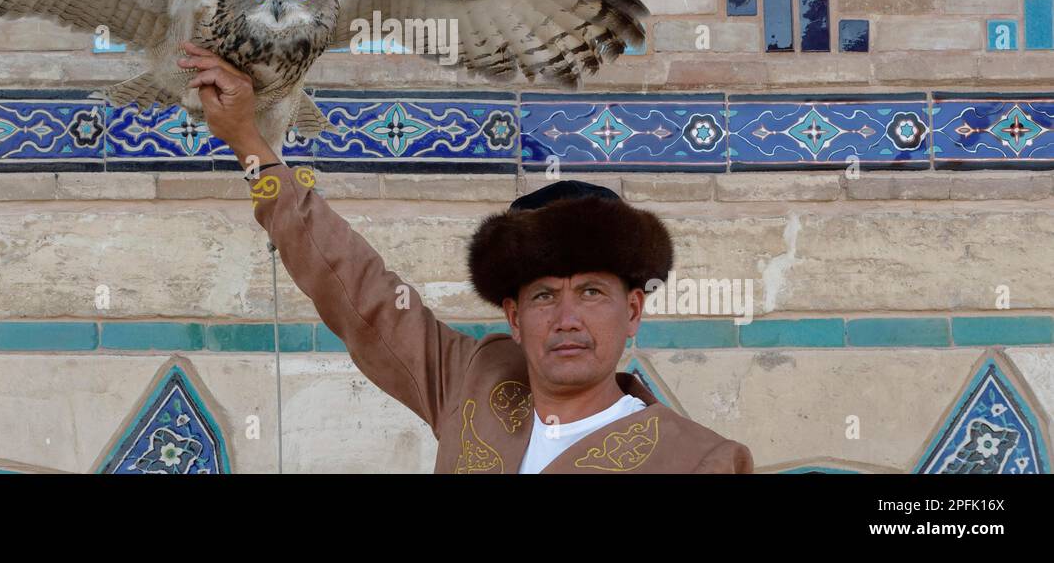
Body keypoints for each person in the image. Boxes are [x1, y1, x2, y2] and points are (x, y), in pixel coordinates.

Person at [179, 42, 753, 474]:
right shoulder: (472, 383)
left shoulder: (701, 460)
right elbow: (359, 289)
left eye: (592, 292)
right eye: (545, 295)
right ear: (513, 317)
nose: (567, 318)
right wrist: (249, 145)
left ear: (632, 310)